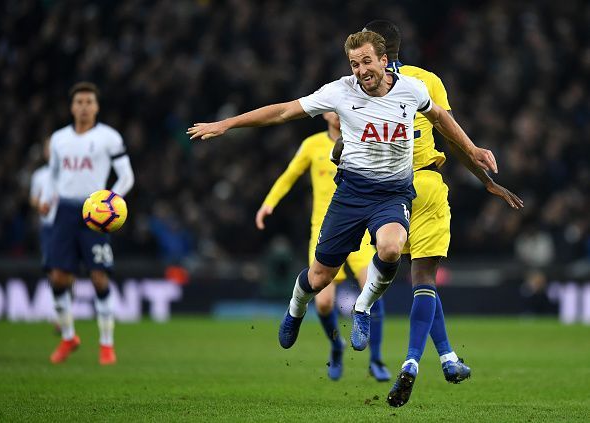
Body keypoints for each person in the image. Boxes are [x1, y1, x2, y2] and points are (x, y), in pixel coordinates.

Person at [187, 31, 497, 399]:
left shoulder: (412, 90)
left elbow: (442, 118)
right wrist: (227, 124)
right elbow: (284, 111)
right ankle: (295, 308)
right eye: (355, 63)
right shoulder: (340, 91)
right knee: (319, 279)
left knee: (392, 248)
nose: (362, 70)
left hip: (393, 193)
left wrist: (471, 148)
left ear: (384, 61)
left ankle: (362, 308)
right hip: (350, 195)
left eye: (367, 61)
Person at [331, 20, 524, 407]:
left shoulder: (358, 86)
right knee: (425, 279)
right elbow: (452, 136)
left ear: (380, 53)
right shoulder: (425, 81)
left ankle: (449, 358)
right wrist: (485, 179)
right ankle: (414, 362)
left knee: (409, 277)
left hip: (383, 189)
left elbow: (342, 146)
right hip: (428, 186)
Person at [255, 112, 390, 381]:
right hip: (324, 231)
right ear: (324, 113)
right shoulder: (312, 145)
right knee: (325, 303)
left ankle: (375, 359)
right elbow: (289, 175)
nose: (337, 114)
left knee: (373, 288)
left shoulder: (363, 138)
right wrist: (269, 203)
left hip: (361, 227)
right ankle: (336, 346)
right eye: (332, 109)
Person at [39, 82, 135, 365]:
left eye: (88, 102)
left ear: (97, 107)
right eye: (79, 102)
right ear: (71, 107)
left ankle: (107, 345)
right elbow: (52, 174)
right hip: (66, 211)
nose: (83, 107)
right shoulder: (58, 139)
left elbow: (127, 176)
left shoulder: (109, 137)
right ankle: (68, 337)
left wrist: (110, 202)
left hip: (96, 217)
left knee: (99, 277)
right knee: (57, 277)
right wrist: (46, 197)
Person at [29, 136, 60, 332]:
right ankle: (60, 312)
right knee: (53, 271)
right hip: (48, 227)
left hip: (66, 226)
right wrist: (42, 205)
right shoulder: (39, 175)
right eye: (47, 147)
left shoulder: (68, 173)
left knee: (65, 270)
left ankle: (61, 311)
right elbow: (33, 199)